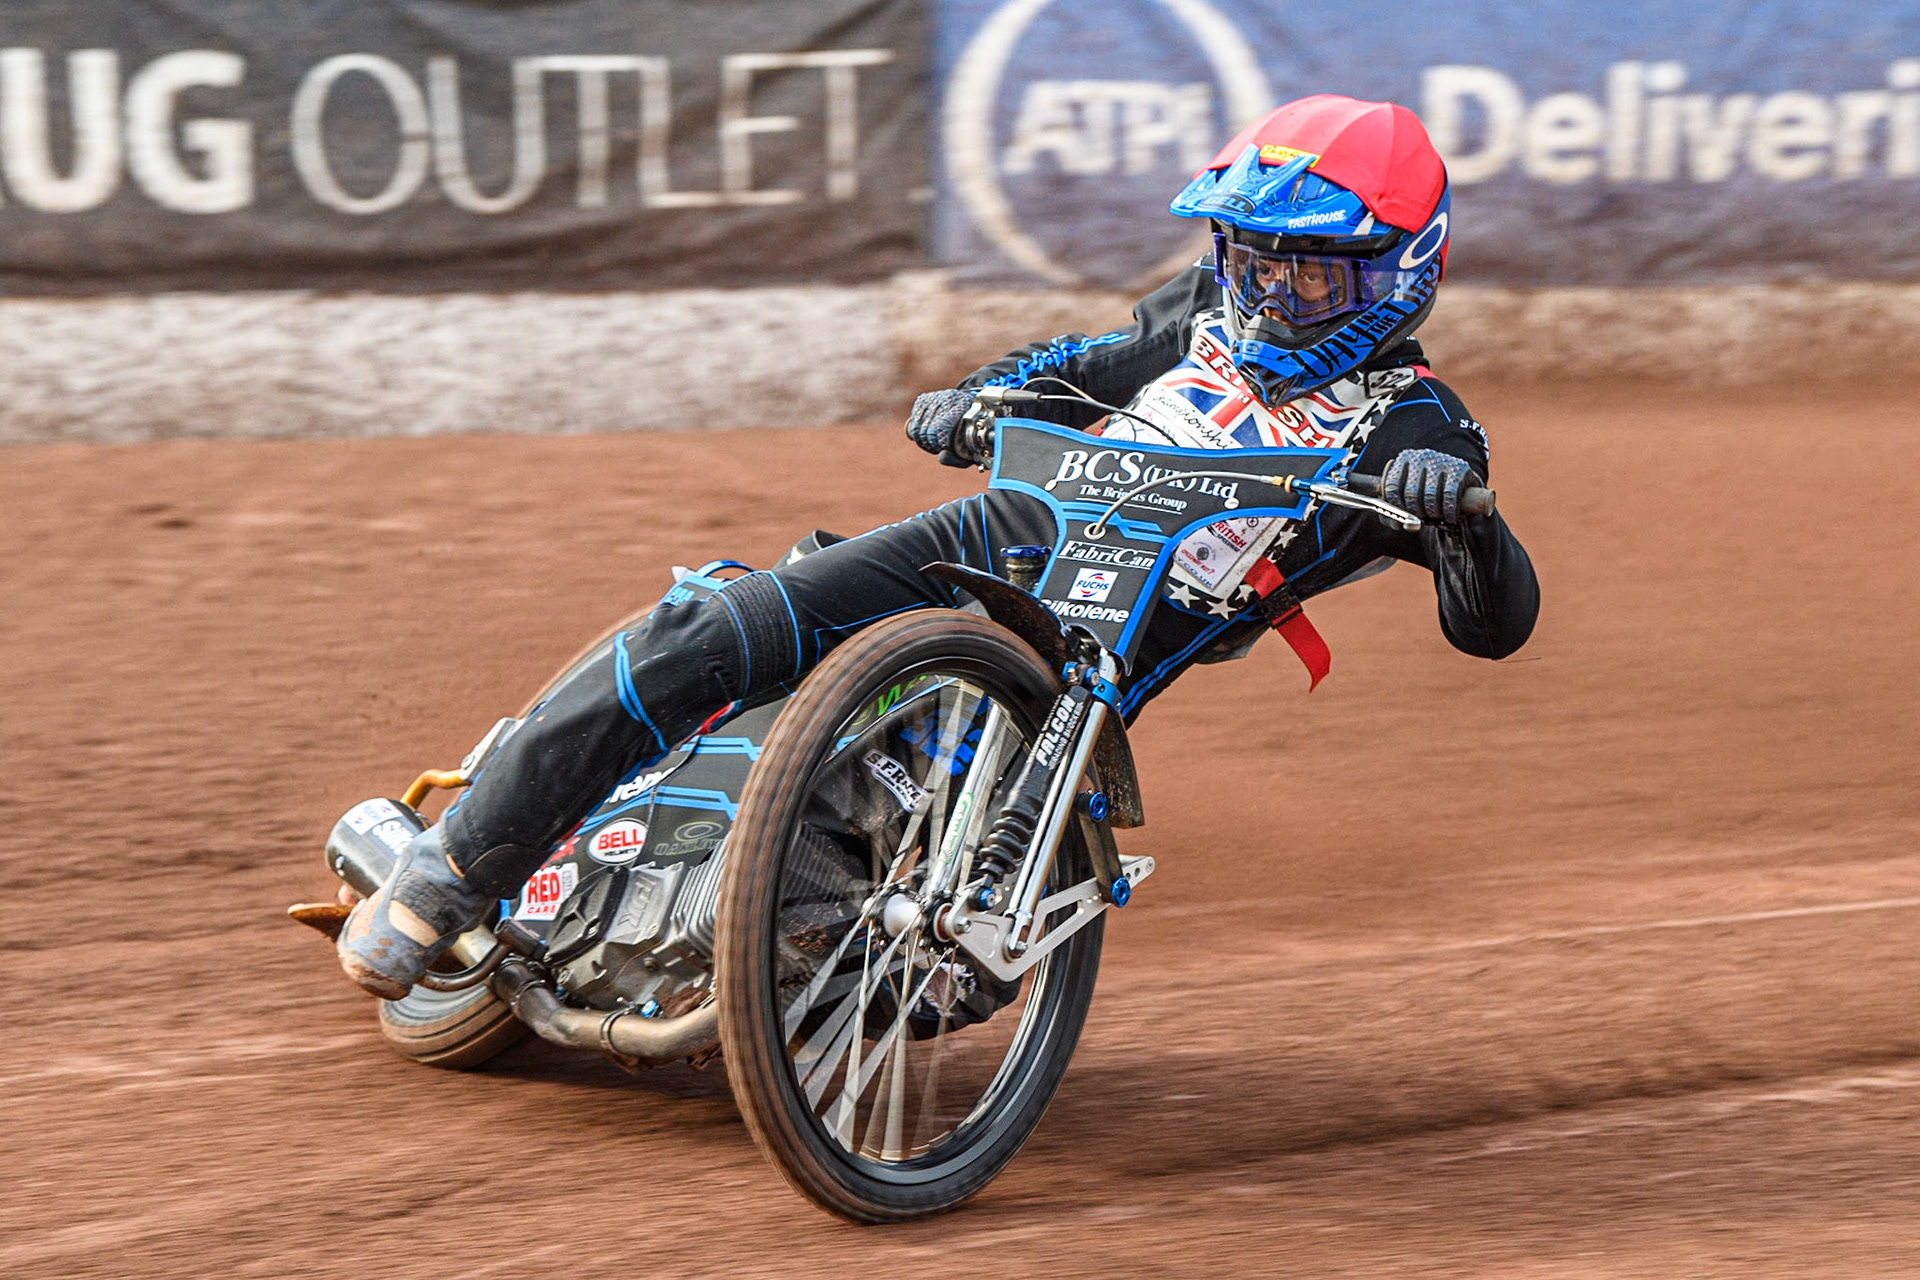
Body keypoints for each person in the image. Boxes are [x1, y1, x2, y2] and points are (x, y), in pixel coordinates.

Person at [338, 94, 1540, 999]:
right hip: (994, 534)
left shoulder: (1417, 426)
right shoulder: (1201, 311)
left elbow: (1497, 623)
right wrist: (975, 399)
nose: (1271, 296)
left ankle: (802, 956)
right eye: (1252, 260)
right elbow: (1069, 367)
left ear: (1400, 273)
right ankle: (450, 868)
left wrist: (1458, 516)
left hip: (1092, 660)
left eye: (1310, 274)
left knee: (936, 922)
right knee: (713, 628)